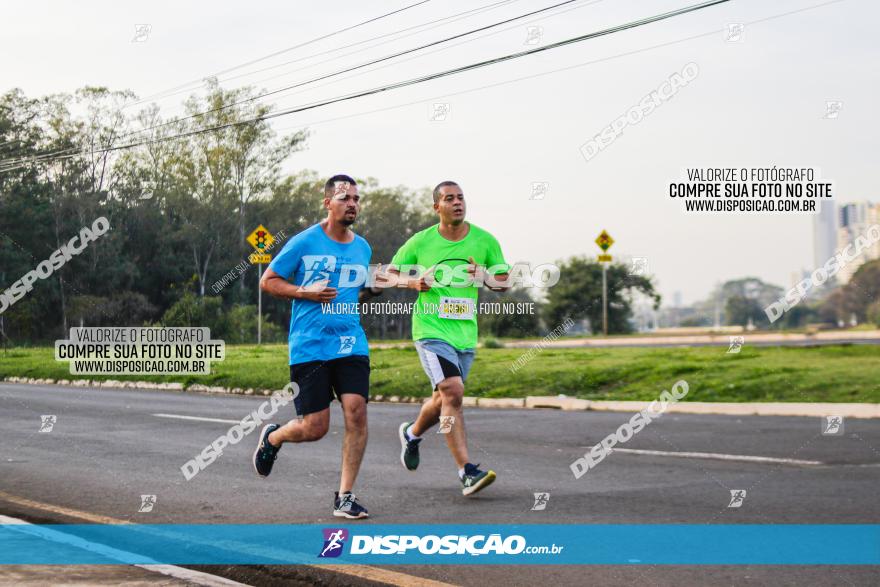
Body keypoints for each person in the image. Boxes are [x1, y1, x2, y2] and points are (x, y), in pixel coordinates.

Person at [253, 174, 380, 519]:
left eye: (356, 198)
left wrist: (376, 290)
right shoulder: (304, 242)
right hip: (310, 346)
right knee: (315, 427)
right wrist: (304, 292)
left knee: (356, 411)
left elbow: (356, 291)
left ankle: (345, 496)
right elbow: (268, 281)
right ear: (328, 203)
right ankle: (275, 437)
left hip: (351, 343)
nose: (352, 204)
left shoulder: (363, 247)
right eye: (344, 198)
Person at [381, 180, 509, 496]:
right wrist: (412, 283)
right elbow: (386, 274)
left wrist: (484, 277)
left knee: (442, 399)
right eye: (449, 198)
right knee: (453, 393)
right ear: (437, 206)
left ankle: (411, 434)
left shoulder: (484, 240)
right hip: (431, 332)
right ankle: (466, 471)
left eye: (461, 197)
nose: (457, 202)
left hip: (465, 335)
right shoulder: (420, 242)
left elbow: (503, 283)